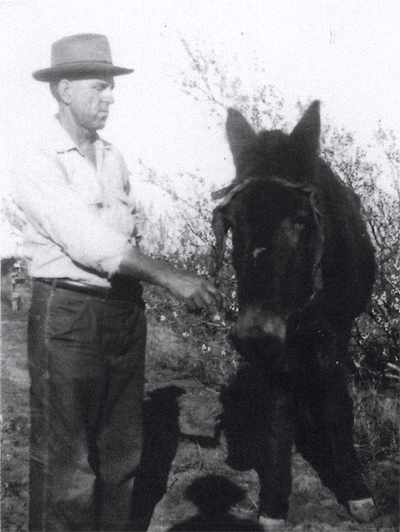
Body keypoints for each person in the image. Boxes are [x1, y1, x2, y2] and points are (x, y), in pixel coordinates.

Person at [13, 33, 221, 532]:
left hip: (125, 314)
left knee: (122, 455)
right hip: (68, 317)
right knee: (67, 467)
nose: (110, 98)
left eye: (112, 88)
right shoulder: (38, 160)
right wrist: (172, 278)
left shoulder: (115, 159)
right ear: (63, 90)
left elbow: (132, 233)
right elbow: (92, 244)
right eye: (98, 88)